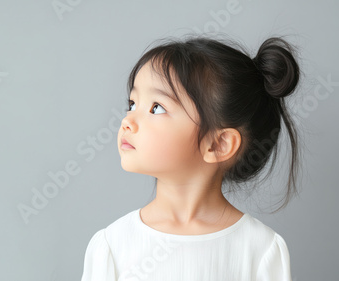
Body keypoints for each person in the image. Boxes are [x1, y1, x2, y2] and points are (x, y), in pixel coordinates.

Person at [80, 34, 302, 281]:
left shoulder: (260, 249)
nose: (127, 121)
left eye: (157, 107)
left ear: (218, 144)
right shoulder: (113, 245)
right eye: (132, 104)